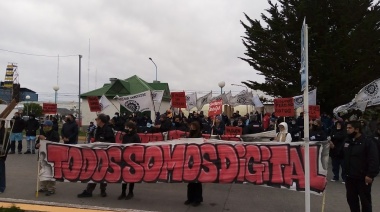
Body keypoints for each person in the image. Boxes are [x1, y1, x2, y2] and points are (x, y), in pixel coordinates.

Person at [344, 121, 379, 212]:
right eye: (347, 128)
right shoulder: (348, 141)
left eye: (350, 128)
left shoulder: (368, 142)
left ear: (357, 129)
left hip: (363, 178)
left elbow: (374, 159)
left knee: (365, 201)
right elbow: (341, 154)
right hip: (350, 177)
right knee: (351, 199)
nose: (347, 130)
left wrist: (370, 174)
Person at [78, 114, 115, 198]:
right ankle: (89, 191)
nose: (96, 120)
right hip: (97, 154)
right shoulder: (97, 129)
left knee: (103, 172)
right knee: (94, 171)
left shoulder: (108, 130)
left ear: (101, 120)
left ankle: (102, 190)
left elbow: (112, 142)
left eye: (96, 119)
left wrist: (101, 142)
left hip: (105, 154)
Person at [35, 120, 60, 196]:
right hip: (42, 156)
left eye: (45, 126)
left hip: (51, 156)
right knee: (42, 171)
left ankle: (51, 188)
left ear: (50, 126)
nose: (44, 127)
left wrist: (45, 138)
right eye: (43, 126)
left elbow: (54, 143)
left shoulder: (55, 133)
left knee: (50, 172)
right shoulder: (41, 133)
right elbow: (37, 144)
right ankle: (43, 187)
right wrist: (37, 145)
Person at [118, 121, 140, 200]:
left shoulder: (135, 136)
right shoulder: (125, 136)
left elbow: (138, 147)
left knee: (131, 176)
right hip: (125, 157)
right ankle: (123, 192)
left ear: (131, 128)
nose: (125, 128)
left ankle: (130, 192)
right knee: (124, 176)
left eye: (127, 127)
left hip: (133, 159)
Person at [184, 121, 203, 207]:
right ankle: (190, 198)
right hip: (190, 160)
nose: (192, 127)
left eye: (193, 126)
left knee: (197, 182)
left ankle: (197, 199)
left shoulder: (199, 136)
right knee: (190, 181)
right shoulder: (190, 135)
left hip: (197, 160)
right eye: (191, 125)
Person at [0, 120, 9, 193]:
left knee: (1, 172)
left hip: (1, 155)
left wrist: (3, 154)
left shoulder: (5, 133)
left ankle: (1, 187)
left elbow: (6, 145)